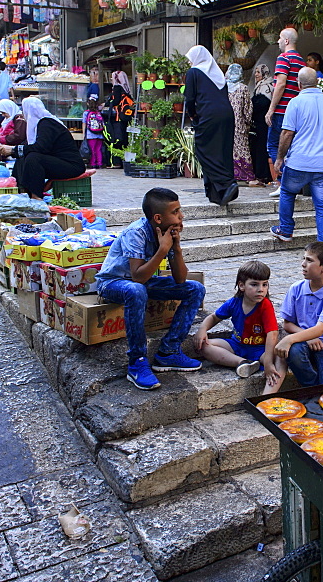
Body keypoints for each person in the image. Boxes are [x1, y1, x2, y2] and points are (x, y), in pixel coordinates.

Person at [96, 187, 205, 390]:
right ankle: (136, 363)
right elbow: (137, 277)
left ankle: (168, 352)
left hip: (143, 284)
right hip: (112, 283)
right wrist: (163, 249)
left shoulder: (167, 233)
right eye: (175, 212)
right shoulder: (135, 233)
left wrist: (176, 247)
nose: (181, 216)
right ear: (157, 217)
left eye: (179, 210)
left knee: (195, 289)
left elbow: (180, 279)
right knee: (136, 290)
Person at [270, 67, 323, 243]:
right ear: (317, 82)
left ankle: (286, 230)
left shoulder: (295, 103)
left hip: (298, 162)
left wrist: (280, 158)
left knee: (288, 193)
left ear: (299, 83)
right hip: (322, 165)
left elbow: (287, 134)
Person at [194, 259, 286, 392]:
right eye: (254, 284)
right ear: (242, 286)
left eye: (264, 284)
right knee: (203, 345)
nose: (261, 290)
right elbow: (214, 317)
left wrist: (268, 362)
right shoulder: (234, 302)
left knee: (281, 359)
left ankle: (267, 395)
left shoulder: (265, 305)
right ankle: (243, 363)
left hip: (260, 350)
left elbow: (273, 334)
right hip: (236, 345)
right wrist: (202, 329)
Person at [275, 242, 323, 386]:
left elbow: (320, 330)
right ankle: (312, 387)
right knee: (293, 353)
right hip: (301, 340)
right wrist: (307, 338)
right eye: (304, 258)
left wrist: (288, 339)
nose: (303, 264)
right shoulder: (296, 289)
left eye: (309, 260)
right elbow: (287, 324)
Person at [0, 97, 85, 199]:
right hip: (58, 162)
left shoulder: (47, 124)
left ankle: (36, 197)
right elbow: (30, 146)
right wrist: (14, 150)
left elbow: (41, 148)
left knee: (33, 158)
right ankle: (22, 191)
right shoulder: (38, 125)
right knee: (23, 158)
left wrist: (13, 150)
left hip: (72, 166)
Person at [185, 45, 238, 207]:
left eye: (190, 60)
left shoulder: (193, 72)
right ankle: (219, 194)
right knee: (222, 150)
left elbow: (190, 98)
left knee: (204, 151)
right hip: (227, 115)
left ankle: (227, 183)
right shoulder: (218, 75)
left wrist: (192, 115)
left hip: (208, 115)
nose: (189, 63)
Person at [265, 28, 304, 197]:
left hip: (282, 110)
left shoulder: (283, 58)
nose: (278, 42)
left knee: (274, 145)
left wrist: (271, 109)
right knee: (292, 148)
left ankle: (283, 182)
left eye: (280, 38)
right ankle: (292, 183)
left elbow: (280, 84)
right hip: (296, 110)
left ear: (287, 41)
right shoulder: (301, 61)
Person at [226, 63, 254, 183]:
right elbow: (248, 108)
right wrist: (248, 121)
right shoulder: (243, 88)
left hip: (226, 123)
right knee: (242, 148)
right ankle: (246, 175)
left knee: (228, 148)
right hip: (240, 124)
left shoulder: (224, 87)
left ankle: (230, 174)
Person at [248, 64, 273, 186]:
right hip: (257, 123)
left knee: (262, 148)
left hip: (264, 124)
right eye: (256, 72)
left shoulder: (267, 87)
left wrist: (250, 107)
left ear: (265, 73)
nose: (256, 74)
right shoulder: (258, 87)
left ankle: (263, 176)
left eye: (259, 72)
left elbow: (262, 103)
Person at [105, 81, 135, 168]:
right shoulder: (126, 98)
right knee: (123, 142)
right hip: (122, 124)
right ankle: (121, 162)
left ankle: (115, 162)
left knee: (114, 142)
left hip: (114, 124)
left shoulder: (113, 98)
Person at [82, 96, 105, 169]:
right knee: (98, 149)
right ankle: (100, 163)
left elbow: (84, 123)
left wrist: (83, 134)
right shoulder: (98, 112)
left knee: (92, 150)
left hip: (90, 134)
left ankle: (93, 163)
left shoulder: (86, 113)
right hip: (100, 134)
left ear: (88, 103)